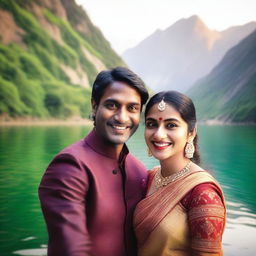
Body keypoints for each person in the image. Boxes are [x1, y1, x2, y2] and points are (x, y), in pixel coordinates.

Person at [38, 67, 149, 256]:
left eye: (132, 108)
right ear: (95, 106)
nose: (122, 117)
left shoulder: (139, 170)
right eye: (112, 105)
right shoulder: (69, 167)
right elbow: (71, 248)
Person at [134, 91, 226, 256]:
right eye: (151, 124)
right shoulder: (150, 177)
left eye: (171, 125)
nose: (159, 134)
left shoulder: (203, 193)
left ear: (191, 133)